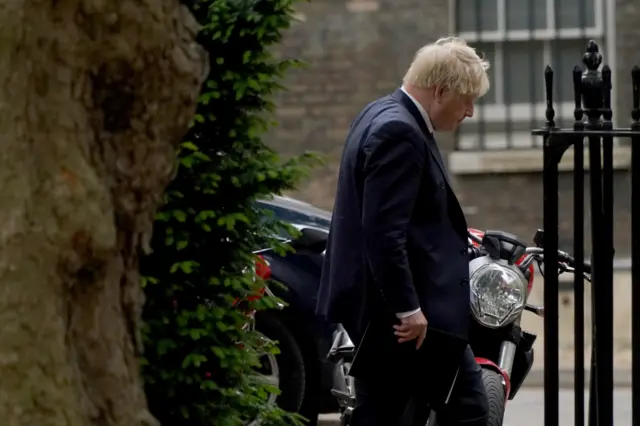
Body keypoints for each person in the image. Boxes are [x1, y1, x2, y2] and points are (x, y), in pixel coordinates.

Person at [316, 37, 491, 426]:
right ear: (441, 91)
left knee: (387, 413)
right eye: (467, 100)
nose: (470, 112)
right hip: (396, 315)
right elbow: (383, 232)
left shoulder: (379, 112)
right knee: (470, 411)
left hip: (379, 304)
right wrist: (408, 310)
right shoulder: (400, 133)